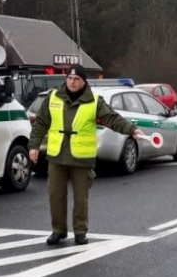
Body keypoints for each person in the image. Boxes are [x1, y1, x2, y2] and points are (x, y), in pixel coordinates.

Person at [28, 65, 145, 245]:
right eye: (70, 79)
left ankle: (80, 232)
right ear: (66, 79)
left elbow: (111, 118)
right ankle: (58, 230)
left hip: (81, 157)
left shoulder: (94, 101)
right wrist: (34, 146)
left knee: (80, 198)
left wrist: (131, 130)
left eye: (77, 79)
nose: (73, 82)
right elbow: (41, 123)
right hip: (57, 155)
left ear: (83, 82)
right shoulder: (53, 97)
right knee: (55, 196)